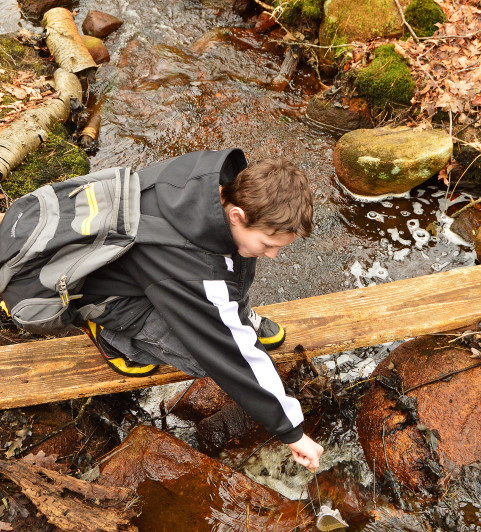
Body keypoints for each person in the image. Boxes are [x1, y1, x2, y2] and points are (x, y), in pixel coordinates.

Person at [78, 148, 324, 471]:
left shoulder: (218, 186)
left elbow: (229, 269)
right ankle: (114, 339)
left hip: (142, 268)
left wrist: (241, 297)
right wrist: (291, 431)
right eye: (270, 244)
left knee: (242, 250)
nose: (274, 255)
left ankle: (240, 313)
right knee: (204, 356)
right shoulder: (197, 265)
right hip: (110, 298)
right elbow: (227, 354)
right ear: (236, 214)